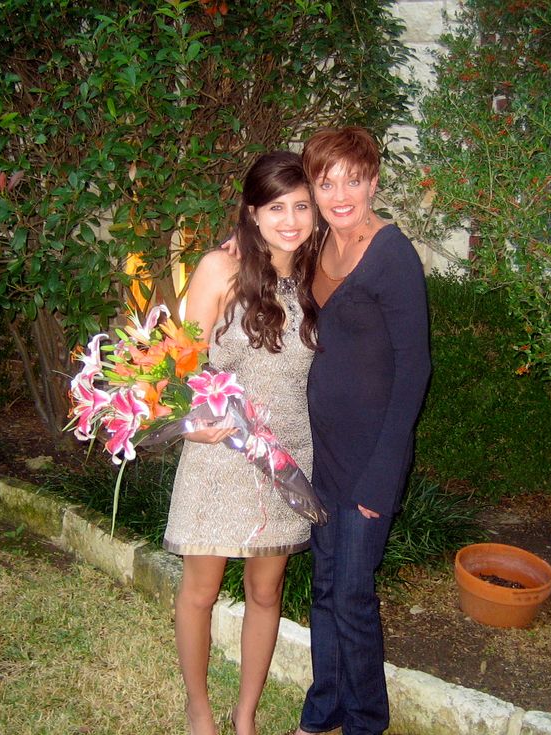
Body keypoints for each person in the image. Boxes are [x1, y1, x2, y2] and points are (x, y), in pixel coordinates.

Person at [163, 151, 320, 735]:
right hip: (220, 453)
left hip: (286, 457)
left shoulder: (315, 276)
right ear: (252, 213)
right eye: (276, 206)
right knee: (200, 590)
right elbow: (176, 366)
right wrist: (189, 420)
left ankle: (245, 715)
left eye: (301, 206)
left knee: (266, 587)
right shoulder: (218, 270)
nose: (289, 219)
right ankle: (199, 709)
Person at [292, 126, 432, 735]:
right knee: (325, 589)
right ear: (315, 189)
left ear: (374, 182)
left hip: (367, 461)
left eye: (354, 179)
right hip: (319, 455)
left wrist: (383, 477)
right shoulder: (321, 242)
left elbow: (415, 370)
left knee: (350, 596)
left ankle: (366, 722)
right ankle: (324, 709)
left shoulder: (392, 253)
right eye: (327, 182)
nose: (341, 193)